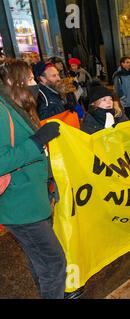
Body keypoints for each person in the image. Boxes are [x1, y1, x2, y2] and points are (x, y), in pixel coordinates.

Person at [0, 59, 66, 299]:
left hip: (33, 199)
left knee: (41, 261)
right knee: (54, 263)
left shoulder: (18, 106)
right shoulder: (2, 110)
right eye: (28, 80)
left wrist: (49, 181)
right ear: (11, 82)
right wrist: (37, 141)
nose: (33, 84)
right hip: (20, 207)